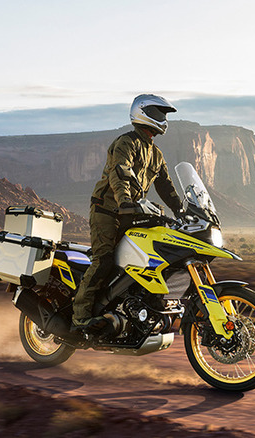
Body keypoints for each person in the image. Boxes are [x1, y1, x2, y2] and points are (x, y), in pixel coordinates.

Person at [72, 94, 183, 331]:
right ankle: (79, 317)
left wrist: (182, 210)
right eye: (158, 114)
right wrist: (124, 201)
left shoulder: (156, 153)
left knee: (141, 261)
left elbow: (166, 186)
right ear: (142, 113)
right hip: (108, 210)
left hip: (132, 213)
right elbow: (120, 173)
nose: (162, 119)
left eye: (163, 115)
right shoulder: (126, 143)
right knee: (104, 260)